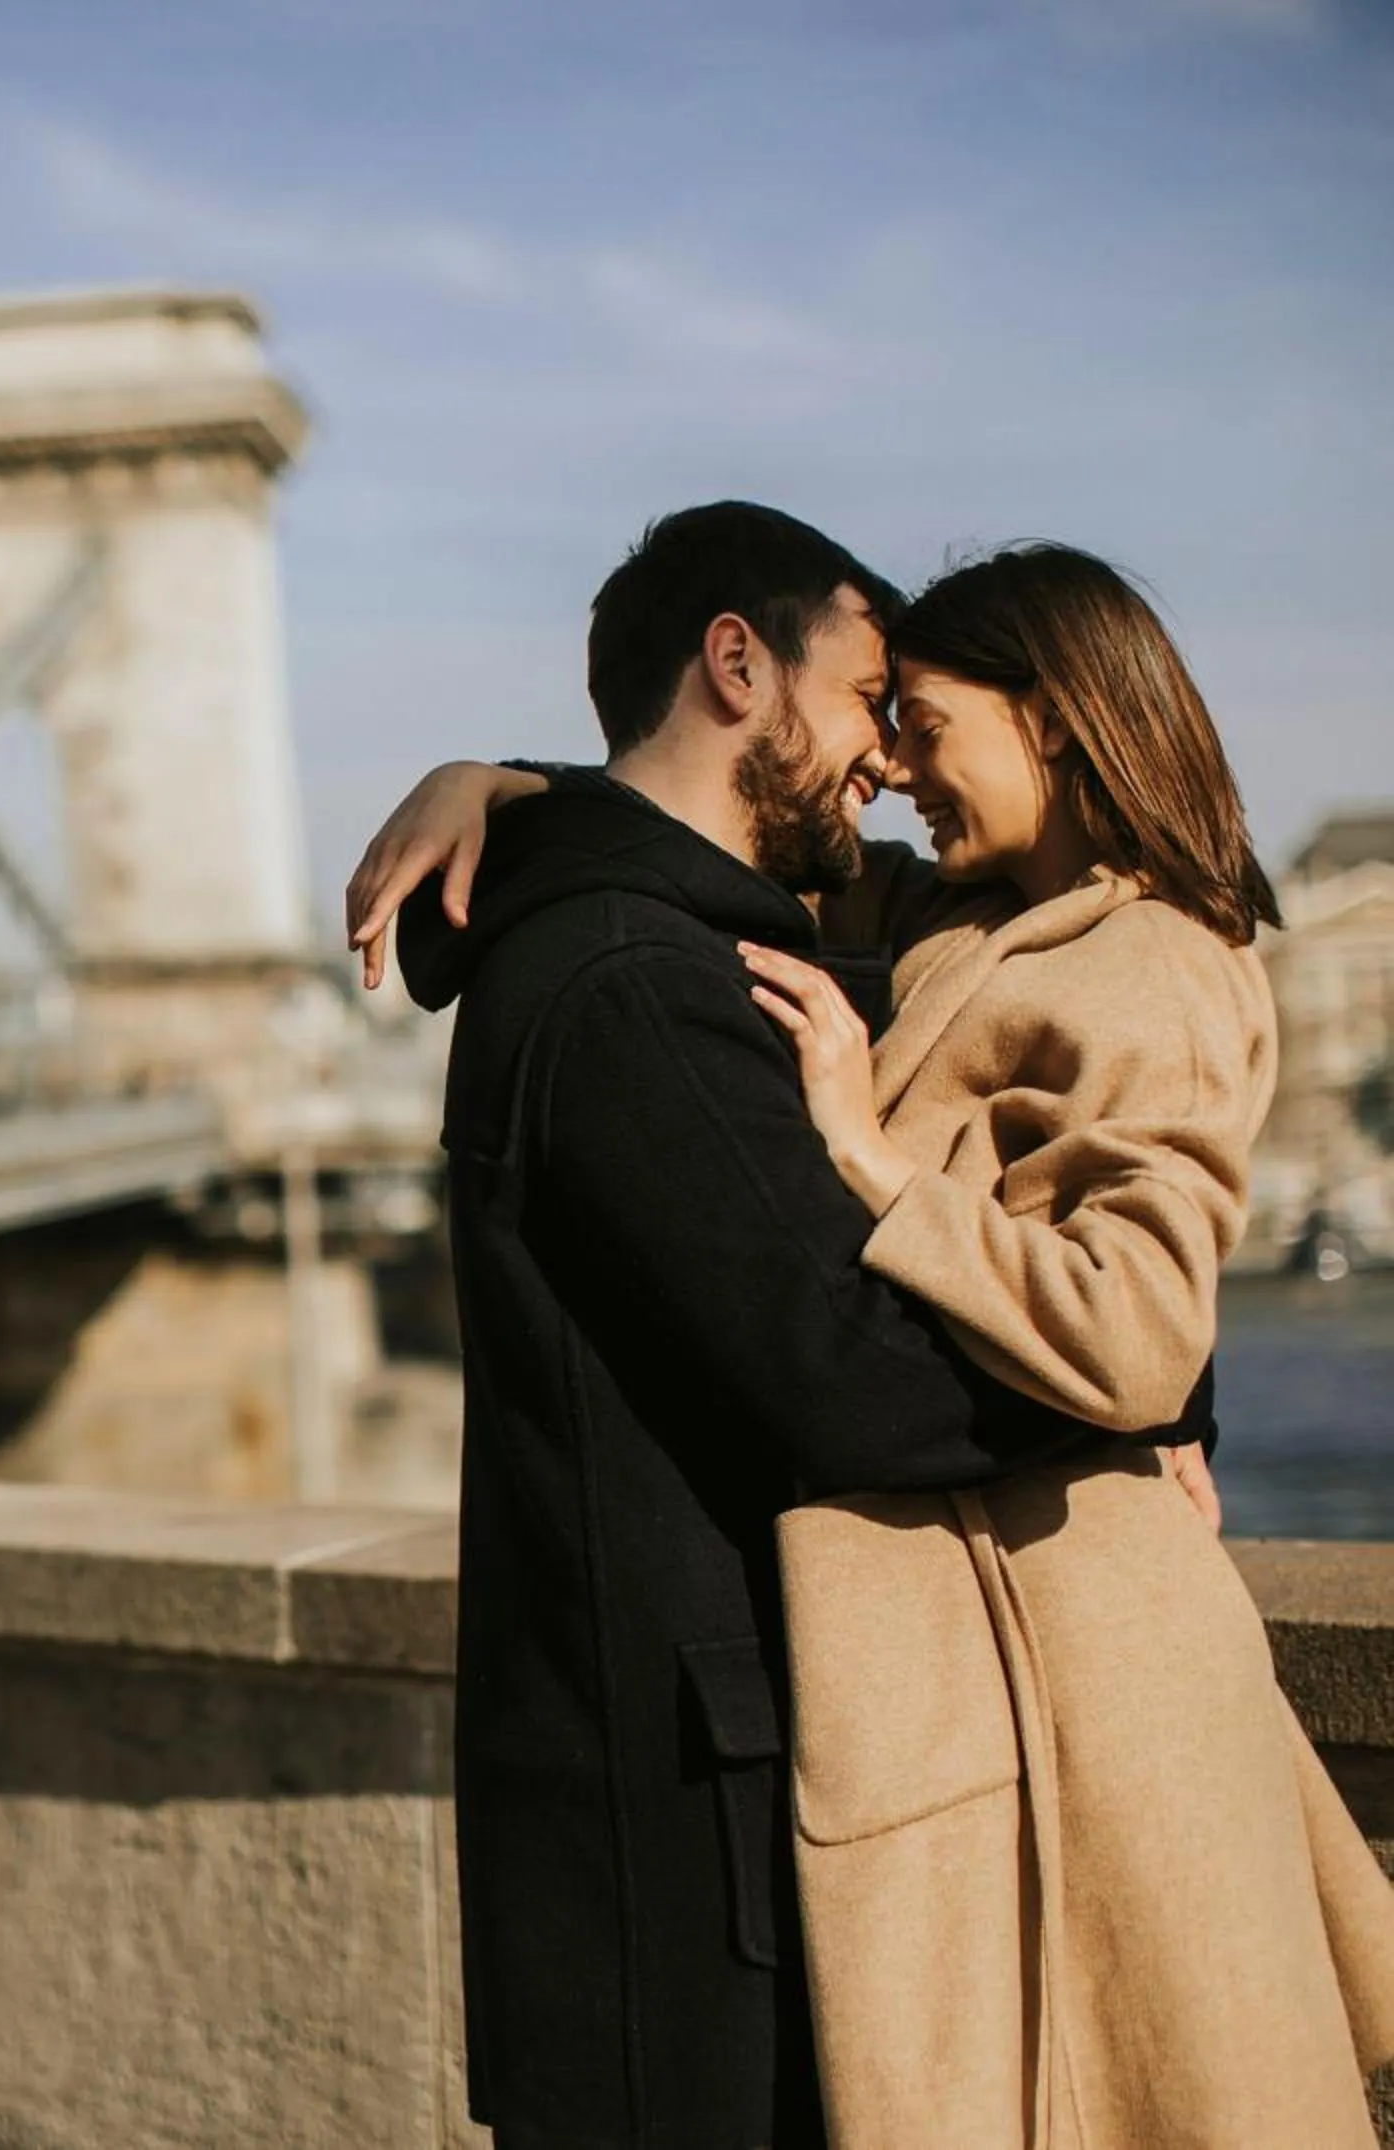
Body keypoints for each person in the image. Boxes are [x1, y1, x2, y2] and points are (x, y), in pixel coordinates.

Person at [350, 529, 1394, 2145]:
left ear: (1049, 720)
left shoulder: (1071, 953)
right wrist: (1129, 1401)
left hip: (939, 1729)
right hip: (818, 1747)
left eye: (917, 717)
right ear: (737, 664)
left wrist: (520, 781)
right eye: (870, 702)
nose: (889, 762)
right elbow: (858, 1379)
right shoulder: (742, 962)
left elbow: (1124, 1248)